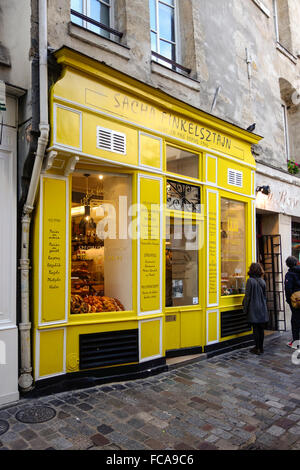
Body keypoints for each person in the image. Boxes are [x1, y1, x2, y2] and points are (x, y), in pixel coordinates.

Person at [243, 263, 269, 355]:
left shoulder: (250, 281)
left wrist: (245, 309)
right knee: (261, 329)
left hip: (253, 308)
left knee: (255, 329)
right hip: (262, 307)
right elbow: (265, 296)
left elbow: (247, 296)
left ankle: (257, 348)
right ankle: (261, 348)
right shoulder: (262, 281)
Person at [284, 256, 300, 349]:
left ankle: (296, 342)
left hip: (296, 300)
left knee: (295, 321)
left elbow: (288, 289)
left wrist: (289, 300)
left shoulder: (289, 275)